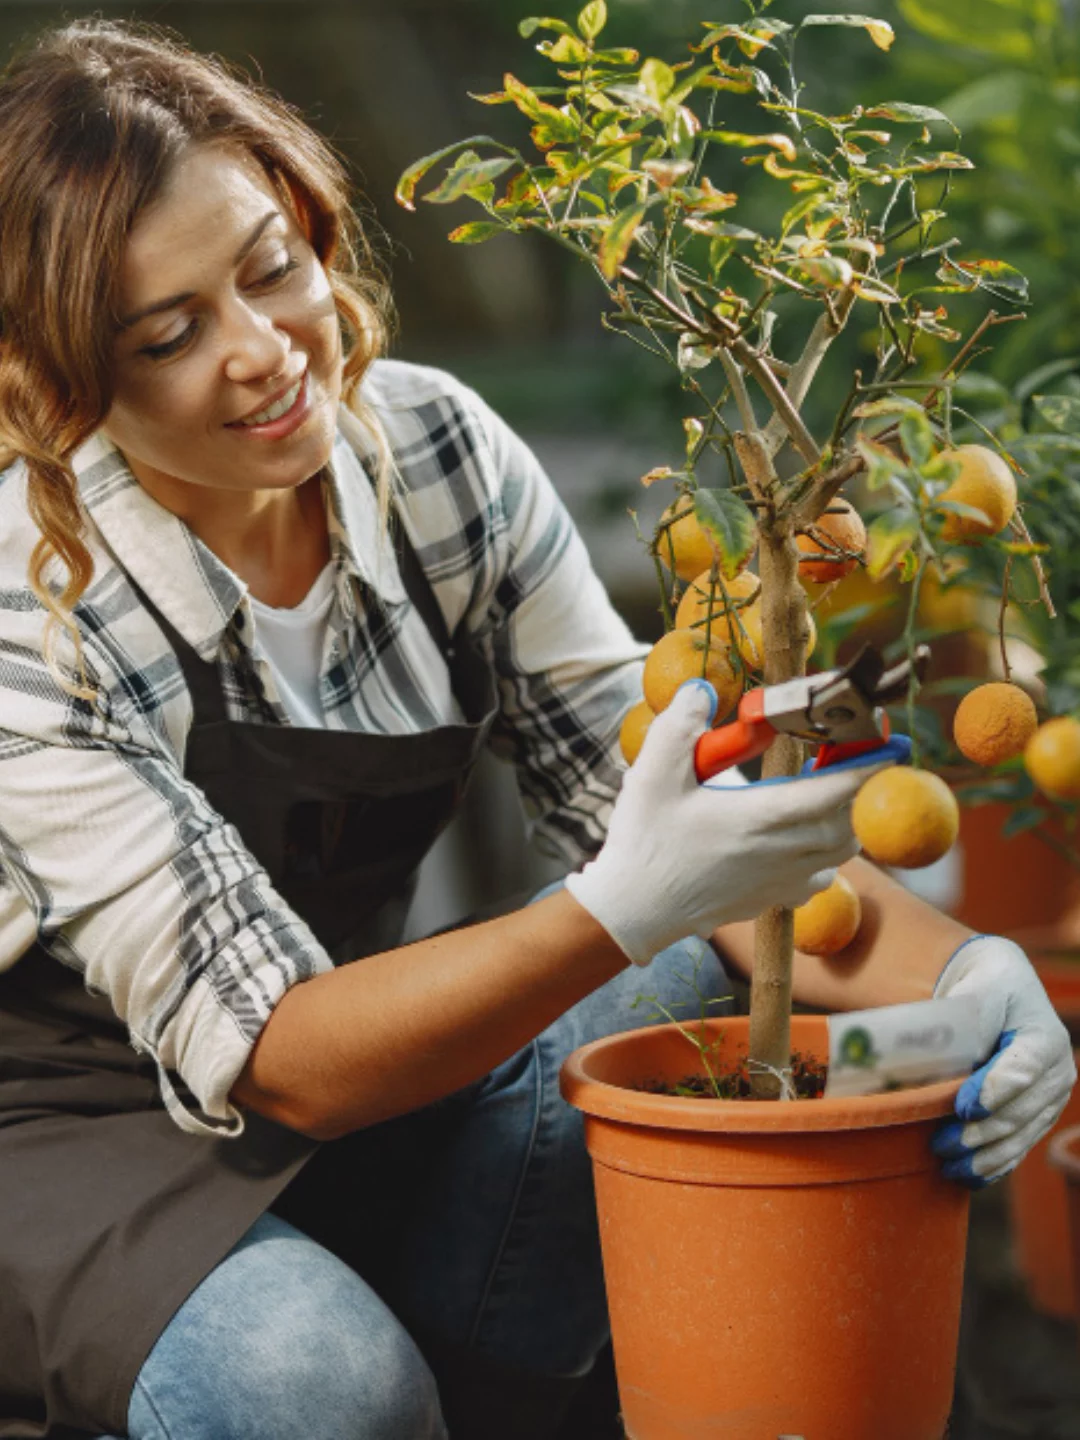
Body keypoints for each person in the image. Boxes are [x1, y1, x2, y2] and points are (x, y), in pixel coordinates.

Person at [0, 18, 1071, 1440]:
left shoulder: (434, 454)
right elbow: (282, 1054)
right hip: (67, 1138)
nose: (266, 354)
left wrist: (976, 976)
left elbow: (684, 813)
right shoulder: (35, 599)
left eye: (272, 268)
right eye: (169, 333)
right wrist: (620, 904)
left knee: (684, 977)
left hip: (347, 1082)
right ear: (70, 376)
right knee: (313, 1384)